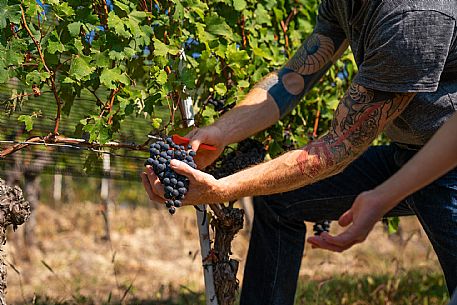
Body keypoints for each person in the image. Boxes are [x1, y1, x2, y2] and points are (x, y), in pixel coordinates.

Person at [142, 0, 457, 304]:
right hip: (409, 152)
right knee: (279, 200)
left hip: (449, 166)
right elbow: (292, 79)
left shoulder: (412, 16)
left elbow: (334, 150)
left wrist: (221, 189)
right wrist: (221, 132)